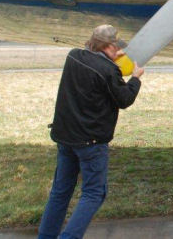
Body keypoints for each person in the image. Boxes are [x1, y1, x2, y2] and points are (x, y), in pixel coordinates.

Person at [38, 24, 144, 239]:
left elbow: (96, 68)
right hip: (90, 141)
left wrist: (110, 60)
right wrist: (135, 78)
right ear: (108, 46)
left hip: (65, 137)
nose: (119, 50)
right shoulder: (108, 70)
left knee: (60, 192)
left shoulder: (73, 56)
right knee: (94, 193)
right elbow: (124, 99)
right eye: (116, 46)